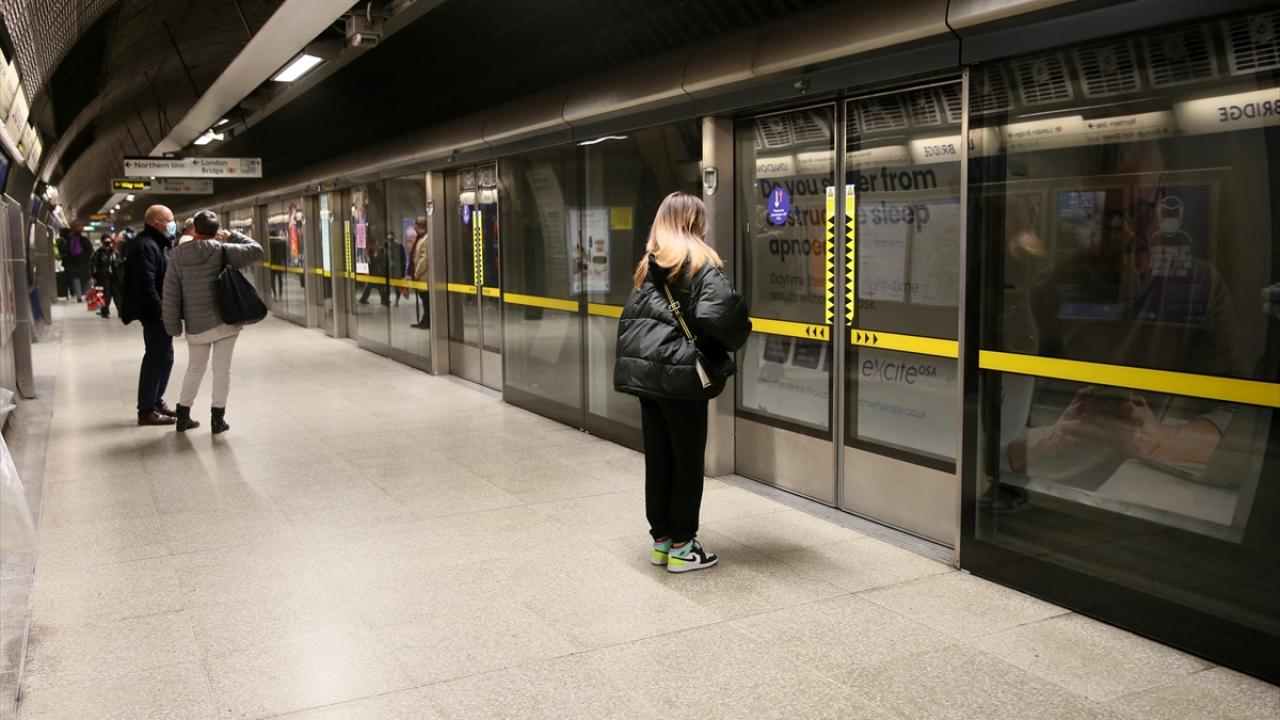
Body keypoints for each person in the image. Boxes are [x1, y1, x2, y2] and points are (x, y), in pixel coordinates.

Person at [613, 192, 751, 573]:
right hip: (681, 376)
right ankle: (683, 546)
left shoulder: (649, 266)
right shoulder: (700, 263)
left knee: (659, 458)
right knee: (687, 462)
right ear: (695, 223)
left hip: (647, 377)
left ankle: (661, 540)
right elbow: (725, 316)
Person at [163, 210, 264, 433]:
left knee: (195, 369)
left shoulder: (177, 255)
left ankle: (182, 416)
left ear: (195, 229)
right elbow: (256, 250)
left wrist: (172, 326)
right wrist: (231, 236)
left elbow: (170, 293)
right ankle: (217, 420)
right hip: (225, 322)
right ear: (215, 230)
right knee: (222, 370)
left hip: (196, 325)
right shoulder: (223, 250)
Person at [125, 205, 179, 426]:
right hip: (155, 314)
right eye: (170, 220)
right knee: (156, 359)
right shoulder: (146, 246)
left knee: (165, 357)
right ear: (157, 223)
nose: (172, 223)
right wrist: (161, 311)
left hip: (160, 312)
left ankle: (155, 401)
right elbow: (146, 285)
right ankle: (146, 410)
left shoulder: (156, 244)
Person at [60, 221, 92, 302]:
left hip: (73, 264)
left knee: (76, 279)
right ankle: (87, 295)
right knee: (87, 279)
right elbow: (90, 251)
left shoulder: (67, 240)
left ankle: (79, 297)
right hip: (83, 263)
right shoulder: (85, 240)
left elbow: (65, 251)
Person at [409, 217, 430, 328]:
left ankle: (427, 321)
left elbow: (424, 259)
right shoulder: (419, 238)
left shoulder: (426, 239)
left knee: (426, 299)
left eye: (415, 225)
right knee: (424, 299)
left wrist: (416, 273)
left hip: (423, 275)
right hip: (419, 275)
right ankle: (425, 320)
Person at [90, 235, 117, 318]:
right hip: (100, 276)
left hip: (110, 275)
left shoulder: (112, 252)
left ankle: (105, 308)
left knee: (109, 294)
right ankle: (103, 311)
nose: (108, 244)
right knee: (101, 293)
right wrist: (94, 276)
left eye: (109, 242)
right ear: (102, 242)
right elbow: (93, 264)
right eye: (106, 242)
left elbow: (114, 264)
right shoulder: (98, 252)